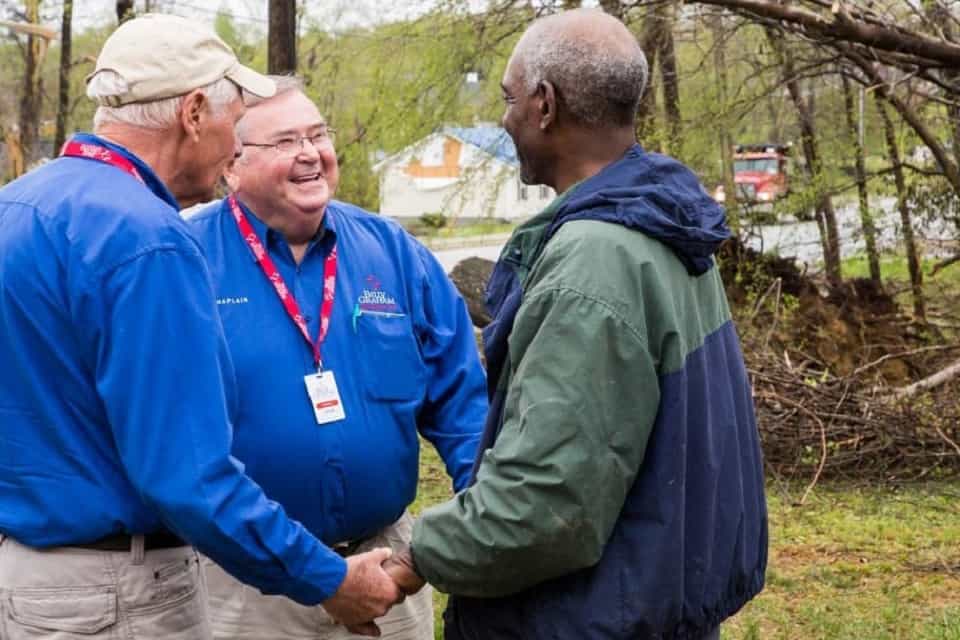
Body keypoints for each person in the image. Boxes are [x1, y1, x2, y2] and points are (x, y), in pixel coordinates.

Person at [0, 14, 401, 640]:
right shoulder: (149, 238)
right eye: (232, 122)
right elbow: (189, 477)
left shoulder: (17, 207)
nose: (233, 150)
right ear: (192, 112)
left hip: (26, 582)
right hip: (122, 597)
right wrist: (330, 580)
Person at [384, 8, 768, 640]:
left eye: (509, 100)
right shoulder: (663, 221)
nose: (504, 119)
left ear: (544, 104)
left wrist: (413, 560)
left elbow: (546, 501)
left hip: (586, 617)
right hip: (650, 600)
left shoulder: (594, 261)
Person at [187, 76, 487, 640]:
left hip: (388, 574)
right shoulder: (185, 258)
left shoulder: (393, 251)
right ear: (232, 164)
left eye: (317, 135)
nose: (310, 154)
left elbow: (464, 403)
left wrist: (484, 513)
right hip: (245, 587)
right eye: (284, 142)